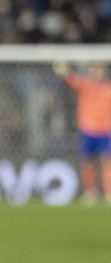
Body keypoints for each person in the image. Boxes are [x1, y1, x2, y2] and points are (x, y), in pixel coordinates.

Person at [54, 62, 111, 205]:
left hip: (106, 130)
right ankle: (90, 192)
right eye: (95, 70)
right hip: (88, 129)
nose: (98, 73)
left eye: (100, 70)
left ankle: (109, 192)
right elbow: (70, 79)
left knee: (108, 162)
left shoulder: (108, 88)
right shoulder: (86, 85)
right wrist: (62, 68)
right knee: (87, 161)